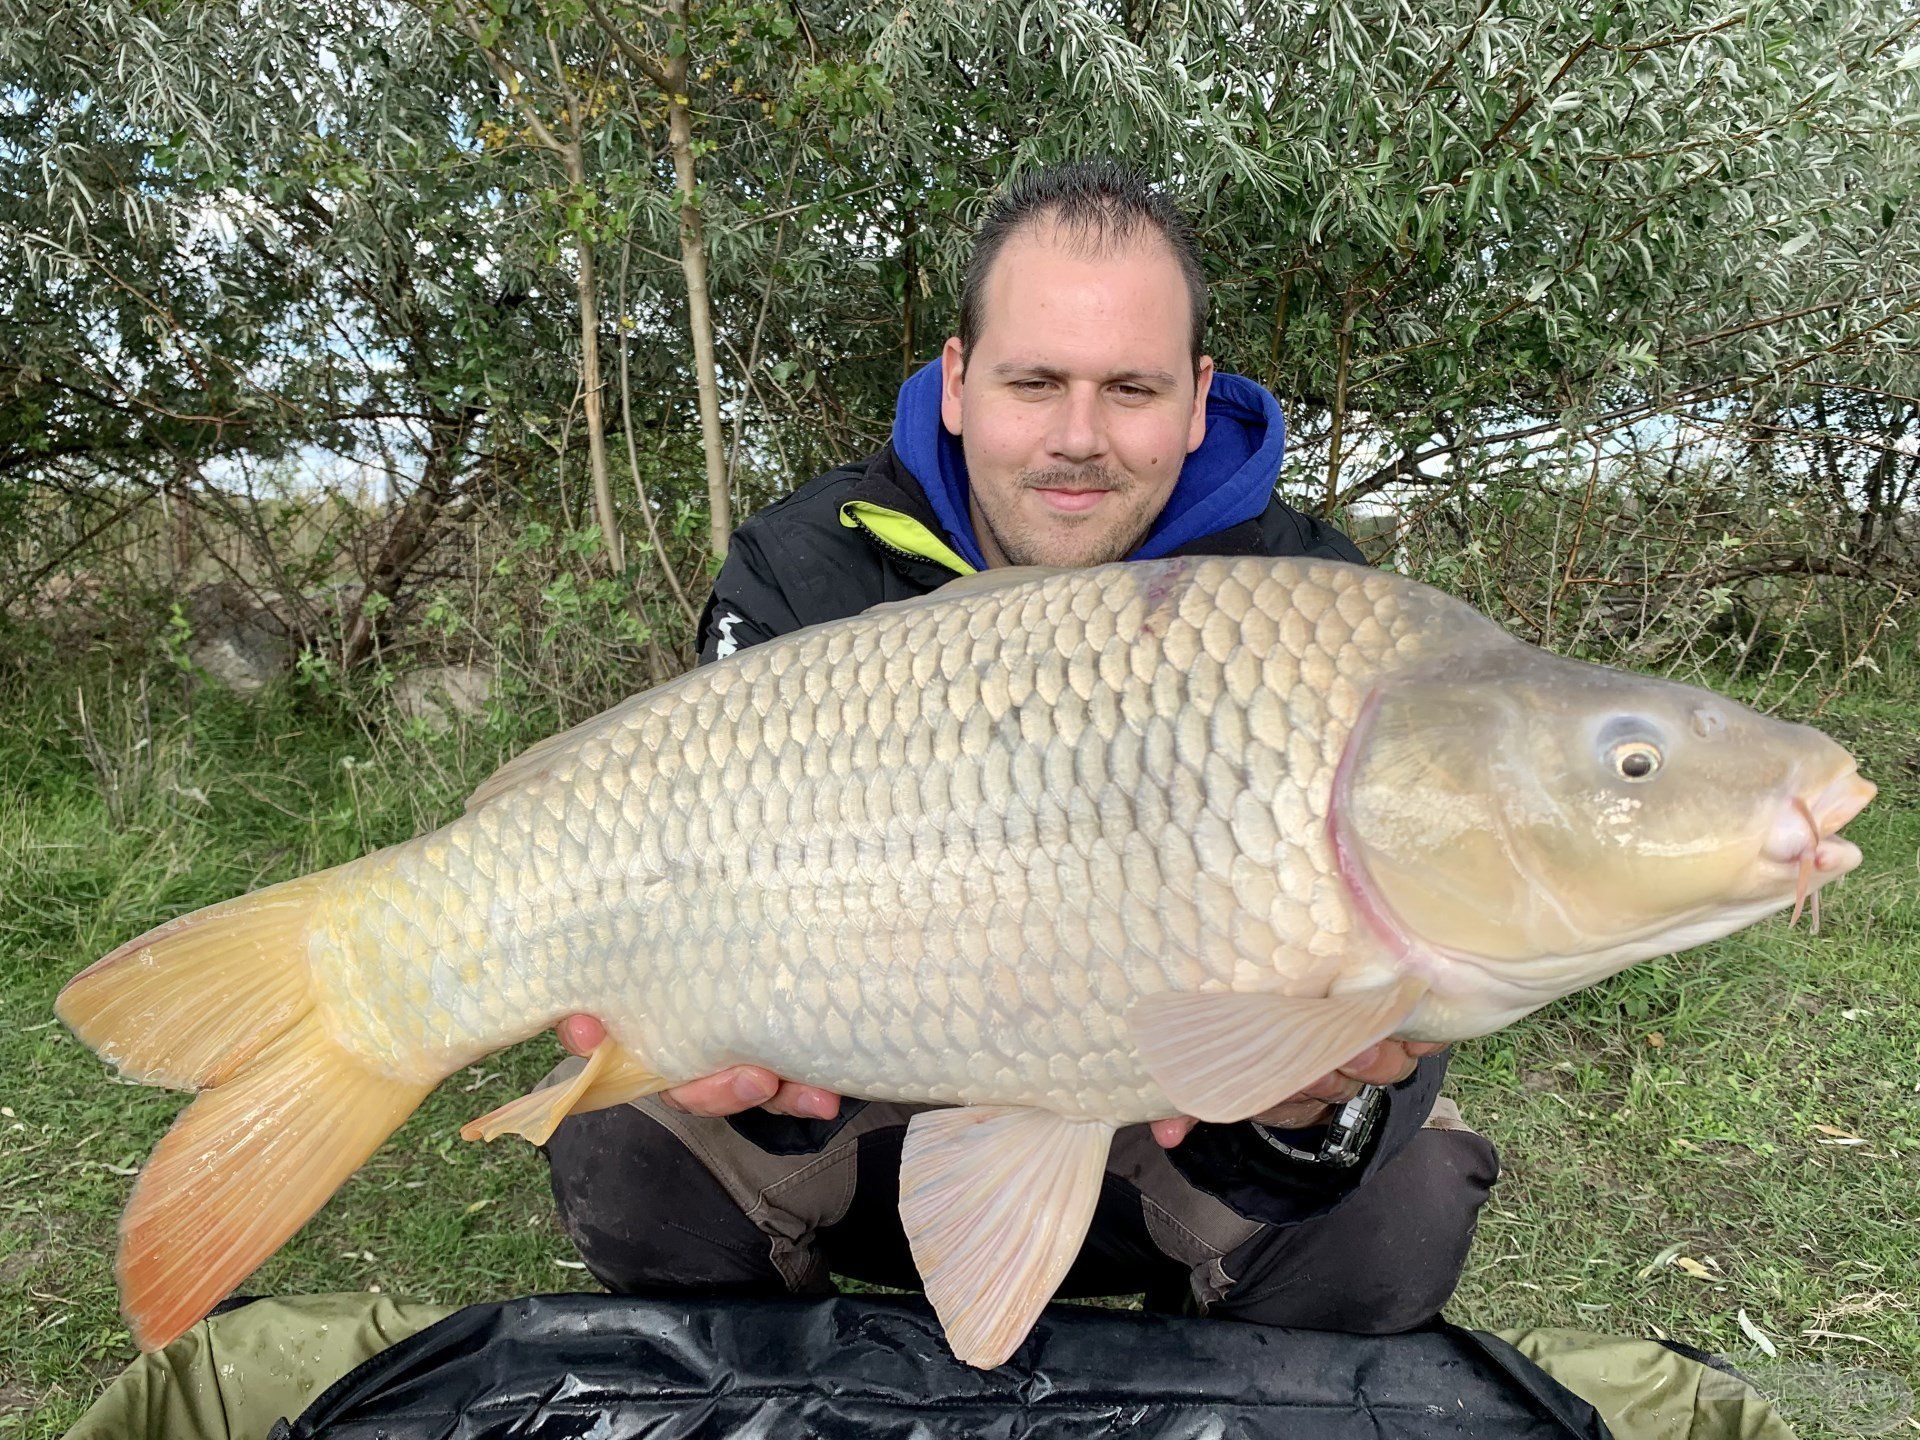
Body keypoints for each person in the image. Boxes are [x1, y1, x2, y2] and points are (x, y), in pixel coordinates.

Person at [542, 162, 1497, 1336]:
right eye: (1034, 382)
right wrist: (729, 1060)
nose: (1079, 438)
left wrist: (1304, 1116)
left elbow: (1369, 996)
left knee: (1395, 1199)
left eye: (1132, 389)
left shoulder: (1307, 606)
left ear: (1199, 399)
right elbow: (721, 912)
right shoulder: (805, 570)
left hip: (1163, 1119)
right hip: (871, 1092)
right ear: (957, 383)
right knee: (627, 1149)